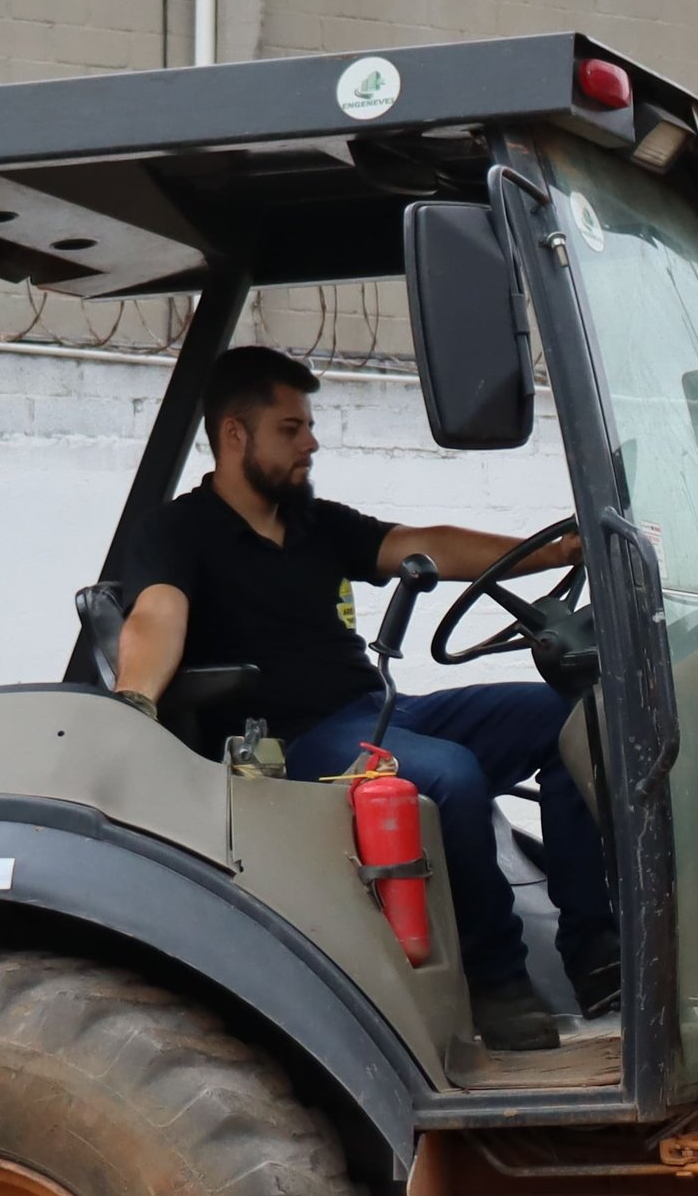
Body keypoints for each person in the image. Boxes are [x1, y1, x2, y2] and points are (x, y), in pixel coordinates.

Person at [113, 344, 618, 1054]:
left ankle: (596, 947)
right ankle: (496, 981)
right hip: (294, 741)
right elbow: (156, 614)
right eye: (290, 428)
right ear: (235, 436)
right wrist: (131, 705)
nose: (311, 441)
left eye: (307, 426)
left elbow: (420, 543)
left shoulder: (312, 524)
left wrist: (552, 552)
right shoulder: (178, 531)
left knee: (579, 718)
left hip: (380, 711)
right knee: (444, 775)